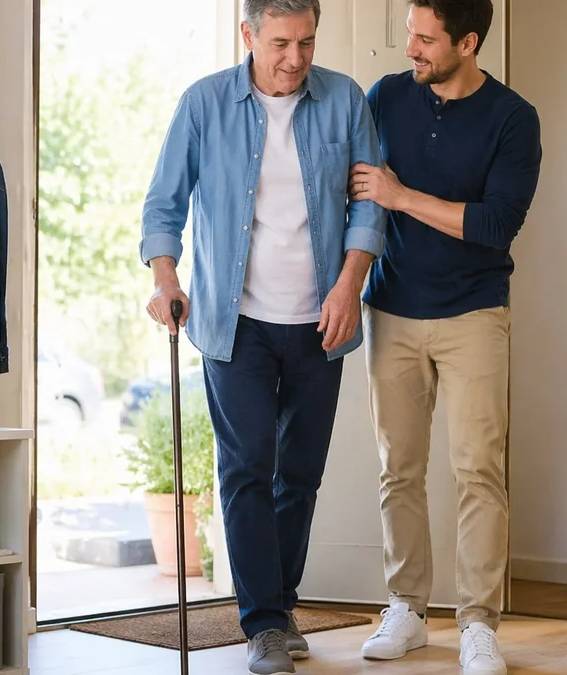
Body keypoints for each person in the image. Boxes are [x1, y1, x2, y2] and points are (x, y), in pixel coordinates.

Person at [139, 0, 386, 672]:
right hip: (234, 323)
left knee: (299, 474)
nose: (295, 59)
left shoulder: (345, 100)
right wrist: (166, 280)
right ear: (247, 34)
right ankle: (265, 624)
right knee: (247, 465)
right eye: (280, 43)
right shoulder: (204, 104)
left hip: (320, 319)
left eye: (307, 42)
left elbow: (369, 206)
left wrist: (349, 286)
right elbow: (164, 203)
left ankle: (279, 601)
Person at [350, 0, 541, 673]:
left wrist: (402, 197)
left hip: (474, 313)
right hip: (392, 309)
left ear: (468, 42)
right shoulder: (386, 98)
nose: (411, 49)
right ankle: (405, 607)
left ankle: (478, 623)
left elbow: (494, 226)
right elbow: (353, 195)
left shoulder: (513, 118)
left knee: (478, 470)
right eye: (411, 34)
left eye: (426, 40)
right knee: (398, 467)